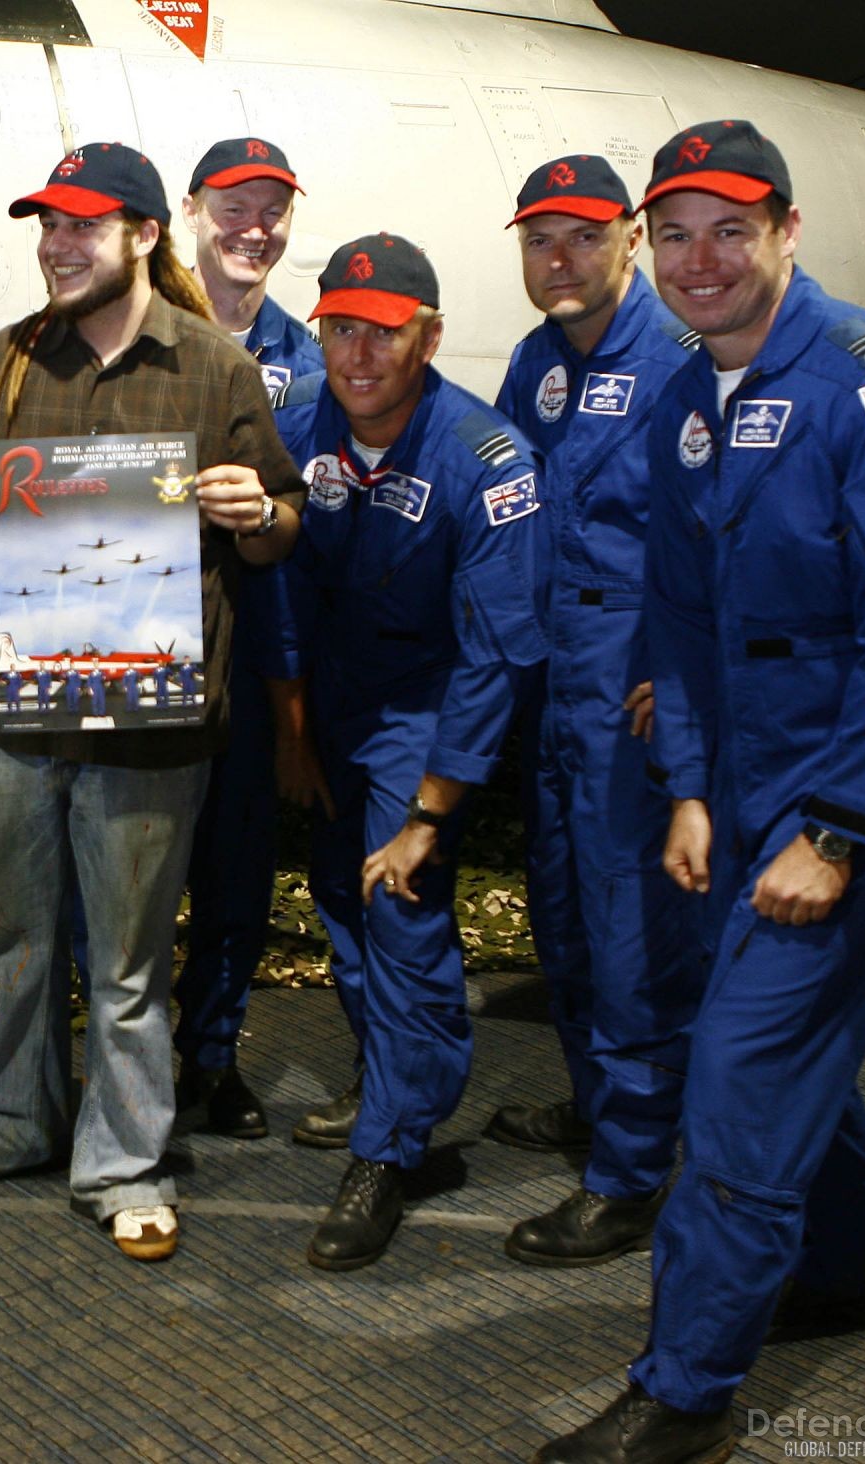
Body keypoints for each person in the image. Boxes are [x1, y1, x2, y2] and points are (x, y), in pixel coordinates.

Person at [535, 121, 865, 1463]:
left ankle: (684, 1392)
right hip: (740, 774)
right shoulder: (684, 405)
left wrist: (836, 833)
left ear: (789, 233)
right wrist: (687, 791)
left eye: (731, 228)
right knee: (777, 1033)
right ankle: (853, 1269)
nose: (699, 258)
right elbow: (679, 617)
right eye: (674, 233)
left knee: (738, 1067)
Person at [0, 142, 306, 1262]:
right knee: (16, 939)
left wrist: (254, 512)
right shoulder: (1, 363)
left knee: (129, 963)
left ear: (143, 236)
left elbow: (284, 523)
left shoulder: (212, 366)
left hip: (152, 725)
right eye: (47, 225)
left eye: (83, 226)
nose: (57, 244)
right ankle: (12, 1123)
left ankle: (124, 1162)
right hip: (21, 713)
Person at [266, 234, 547, 1270]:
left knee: (401, 907)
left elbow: (493, 653)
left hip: (425, 705)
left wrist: (430, 810)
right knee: (339, 893)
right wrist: (292, 723)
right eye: (339, 327)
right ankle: (391, 1070)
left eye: (381, 332)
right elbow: (278, 589)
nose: (356, 352)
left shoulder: (487, 461)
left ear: (425, 337)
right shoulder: (293, 431)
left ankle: (391, 1150)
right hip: (329, 698)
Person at [486, 155, 703, 1267]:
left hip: (627, 685)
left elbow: (711, 534)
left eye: (578, 236)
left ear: (626, 239)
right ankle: (591, 1108)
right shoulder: (536, 362)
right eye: (537, 239)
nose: (556, 259)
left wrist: (674, 667)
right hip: (554, 679)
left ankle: (629, 1173)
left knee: (629, 941)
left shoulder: (679, 364)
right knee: (562, 918)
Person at [171, 137, 326, 1139]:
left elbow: (301, 516)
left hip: (247, 639)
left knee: (234, 875)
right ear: (189, 212)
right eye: (233, 205)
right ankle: (121, 1063)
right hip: (138, 637)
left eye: (271, 208)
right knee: (122, 877)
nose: (253, 227)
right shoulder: (132, 325)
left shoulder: (302, 355)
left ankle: (211, 1061)